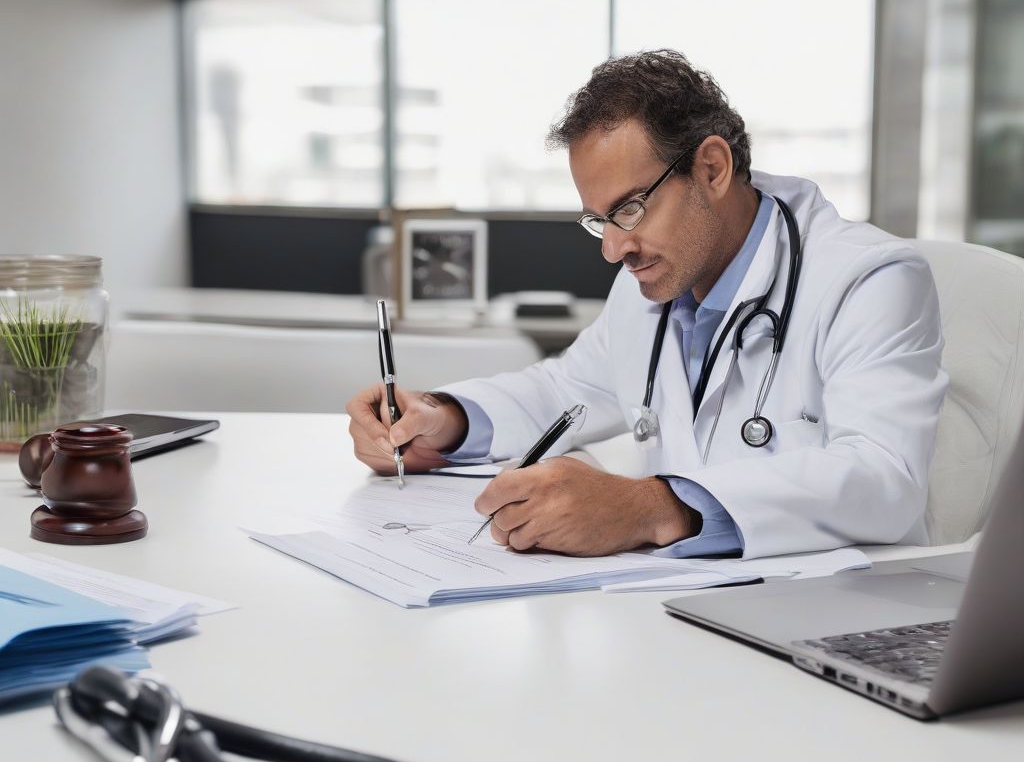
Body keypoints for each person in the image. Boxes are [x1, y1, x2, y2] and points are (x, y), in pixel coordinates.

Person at [346, 50, 948, 560]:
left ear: (711, 168)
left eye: (630, 209)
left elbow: (884, 477)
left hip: (838, 622)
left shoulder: (867, 278)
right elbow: (565, 392)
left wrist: (650, 508)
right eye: (600, 219)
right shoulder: (656, 280)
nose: (613, 249)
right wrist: (439, 418)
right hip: (683, 613)